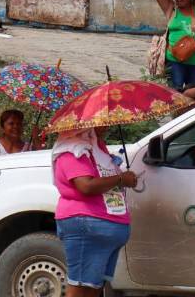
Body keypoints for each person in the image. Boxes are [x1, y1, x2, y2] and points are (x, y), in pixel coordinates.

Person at [52, 127, 138, 297]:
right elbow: (86, 186)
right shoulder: (72, 150)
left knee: (93, 287)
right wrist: (121, 178)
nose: (105, 125)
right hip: (86, 224)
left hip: (105, 228)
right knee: (80, 289)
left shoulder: (95, 149)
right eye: (98, 122)